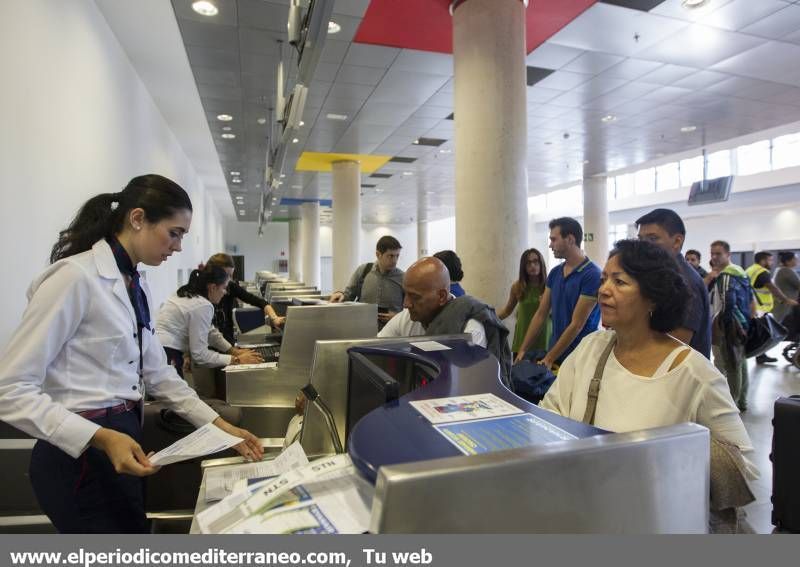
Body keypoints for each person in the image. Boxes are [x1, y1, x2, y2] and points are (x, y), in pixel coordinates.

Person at [0, 174, 263, 533]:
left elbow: (158, 373)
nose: (179, 247)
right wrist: (101, 437)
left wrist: (220, 425)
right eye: (174, 233)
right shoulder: (74, 279)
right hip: (80, 452)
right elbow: (10, 390)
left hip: (122, 438)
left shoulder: (134, 283)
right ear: (137, 218)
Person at [540, 239, 757, 479]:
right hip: (579, 498)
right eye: (604, 280)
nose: (603, 290)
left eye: (619, 281)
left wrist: (665, 459)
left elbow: (743, 466)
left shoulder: (693, 373)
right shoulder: (591, 348)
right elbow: (550, 412)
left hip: (650, 509)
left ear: (653, 297)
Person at [378, 257, 512, 387]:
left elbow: (466, 386)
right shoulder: (408, 317)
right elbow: (377, 348)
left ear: (441, 296)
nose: (406, 304)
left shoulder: (470, 329)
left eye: (415, 297)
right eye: (405, 294)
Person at [514, 218, 601, 369]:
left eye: (554, 239)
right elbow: (541, 314)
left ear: (570, 239)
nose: (550, 245)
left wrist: (549, 358)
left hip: (581, 358)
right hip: (555, 354)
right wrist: (523, 350)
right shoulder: (555, 273)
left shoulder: (592, 274)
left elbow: (577, 324)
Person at [155, 264, 263, 377]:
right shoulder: (202, 305)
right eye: (224, 287)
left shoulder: (191, 295)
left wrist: (233, 351)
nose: (225, 292)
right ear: (212, 287)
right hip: (167, 352)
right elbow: (200, 355)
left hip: (161, 349)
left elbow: (210, 332)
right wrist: (236, 359)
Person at [636, 208, 711, 358]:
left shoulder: (685, 283)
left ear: (677, 241)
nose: (643, 246)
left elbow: (674, 347)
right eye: (640, 239)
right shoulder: (660, 275)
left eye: (652, 239)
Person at [708, 240, 757, 412]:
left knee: (731, 365)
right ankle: (742, 401)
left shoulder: (727, 275)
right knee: (740, 363)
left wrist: (725, 327)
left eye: (718, 253)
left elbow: (728, 303)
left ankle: (732, 404)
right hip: (742, 325)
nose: (714, 257)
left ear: (728, 254)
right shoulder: (741, 272)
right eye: (712, 253)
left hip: (730, 328)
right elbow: (752, 299)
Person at [204, 253, 285, 343]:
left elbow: (259, 302)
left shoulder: (231, 286)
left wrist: (274, 318)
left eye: (231, 275)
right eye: (227, 275)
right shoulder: (201, 299)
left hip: (227, 343)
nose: (229, 280)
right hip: (211, 348)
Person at [330, 235, 404, 327]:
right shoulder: (363, 271)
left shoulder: (403, 278)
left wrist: (397, 317)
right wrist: (340, 294)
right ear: (378, 254)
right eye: (391, 256)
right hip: (363, 328)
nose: (395, 260)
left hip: (393, 330)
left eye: (397, 256)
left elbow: (409, 310)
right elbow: (348, 296)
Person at [745, 252, 798, 362]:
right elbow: (773, 288)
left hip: (751, 305)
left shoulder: (750, 270)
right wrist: (786, 300)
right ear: (763, 260)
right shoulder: (762, 272)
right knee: (765, 333)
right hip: (760, 307)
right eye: (770, 260)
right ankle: (759, 354)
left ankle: (760, 355)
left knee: (759, 333)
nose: (772, 263)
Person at [497, 248, 551, 357]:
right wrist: (489, 318)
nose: (532, 266)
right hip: (522, 341)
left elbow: (558, 313)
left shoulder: (550, 286)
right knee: (519, 373)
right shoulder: (518, 287)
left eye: (536, 261)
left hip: (545, 340)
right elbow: (507, 311)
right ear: (523, 266)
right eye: (528, 263)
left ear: (541, 263)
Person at [773, 251, 800, 324]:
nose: (797, 261)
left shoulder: (779, 269)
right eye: (795, 259)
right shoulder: (786, 271)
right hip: (788, 304)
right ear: (788, 261)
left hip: (783, 303)